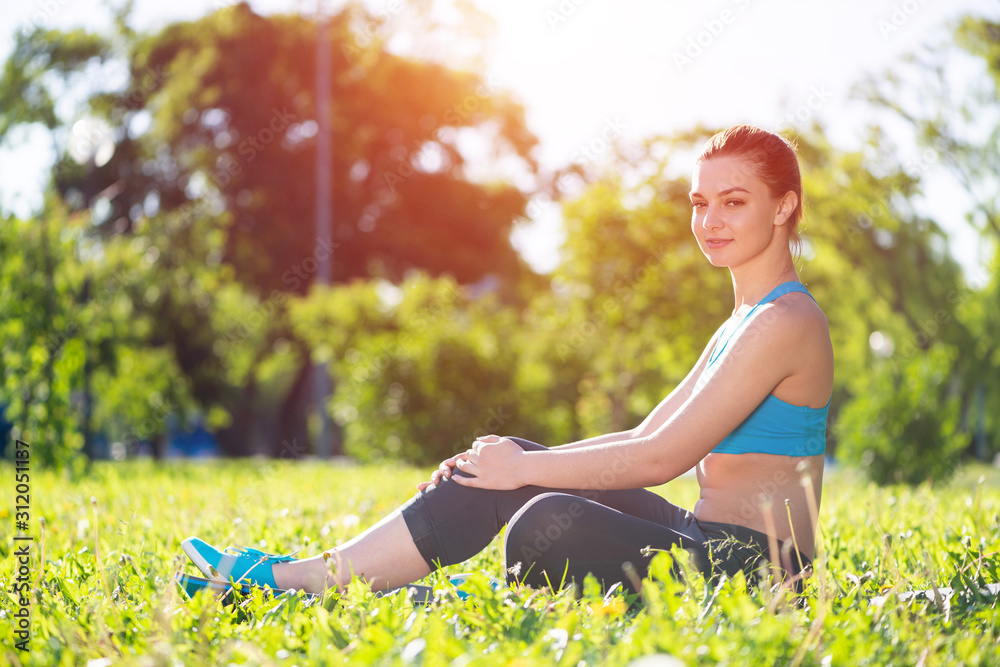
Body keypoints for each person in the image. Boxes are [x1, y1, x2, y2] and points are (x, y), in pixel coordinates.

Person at [182, 124, 833, 597]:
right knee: (516, 467)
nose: (710, 220)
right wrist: (514, 464)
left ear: (784, 207)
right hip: (700, 534)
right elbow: (641, 437)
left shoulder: (786, 320)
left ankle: (330, 584)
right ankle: (315, 576)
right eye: (700, 202)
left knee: (542, 520)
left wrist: (524, 469)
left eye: (734, 201)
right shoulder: (741, 321)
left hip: (757, 572)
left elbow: (661, 460)